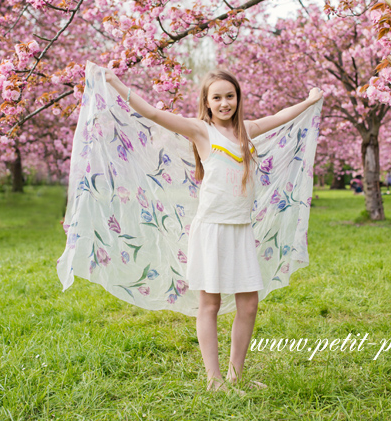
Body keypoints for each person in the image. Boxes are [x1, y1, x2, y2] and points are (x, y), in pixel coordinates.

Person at [102, 66, 323, 394]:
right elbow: (150, 111)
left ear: (238, 98)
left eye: (230, 96)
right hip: (212, 231)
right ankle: (214, 380)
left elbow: (281, 115)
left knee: (249, 305)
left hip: (240, 230)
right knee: (210, 305)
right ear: (206, 102)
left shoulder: (247, 131)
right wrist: (113, 82)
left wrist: (310, 100)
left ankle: (236, 375)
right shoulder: (201, 131)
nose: (224, 103)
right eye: (216, 97)